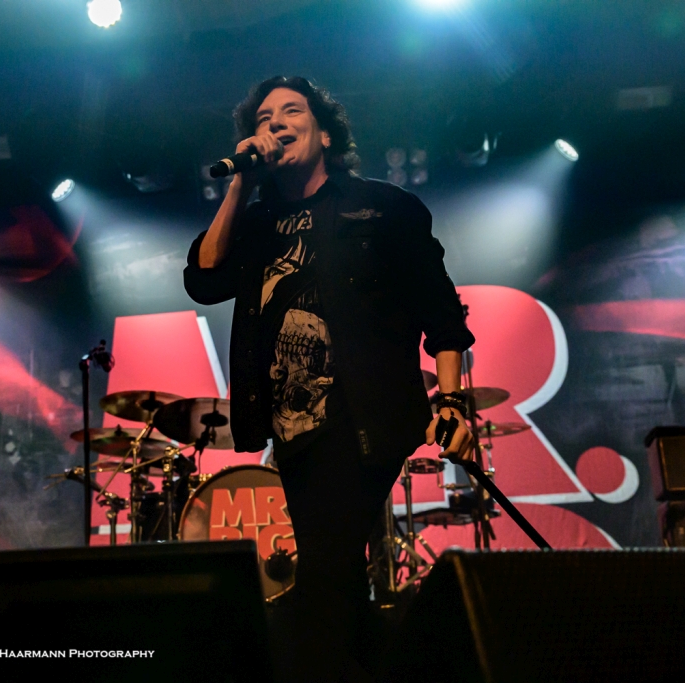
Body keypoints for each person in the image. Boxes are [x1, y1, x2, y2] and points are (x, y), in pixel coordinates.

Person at [183, 76, 474, 682]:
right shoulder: (257, 224)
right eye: (264, 118)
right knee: (335, 577)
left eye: (292, 112)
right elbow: (205, 279)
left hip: (365, 417)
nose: (276, 123)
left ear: (324, 134)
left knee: (321, 578)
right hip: (293, 429)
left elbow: (442, 315)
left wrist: (451, 402)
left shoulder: (384, 207)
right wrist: (241, 182)